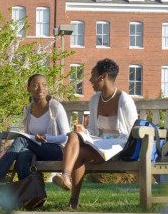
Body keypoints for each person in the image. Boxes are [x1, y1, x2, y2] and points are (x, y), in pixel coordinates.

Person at [51, 58, 138, 209]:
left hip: (118, 146)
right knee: (73, 136)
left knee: (79, 153)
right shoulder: (95, 99)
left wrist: (103, 141)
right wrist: (84, 131)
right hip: (99, 143)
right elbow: (93, 129)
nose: (90, 80)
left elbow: (132, 132)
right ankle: (66, 180)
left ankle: (72, 200)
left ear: (103, 76)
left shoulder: (124, 100)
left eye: (93, 75)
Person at [0, 74, 70, 183]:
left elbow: (66, 137)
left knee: (22, 140)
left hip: (57, 150)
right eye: (36, 85)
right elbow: (29, 136)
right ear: (28, 88)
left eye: (44, 85)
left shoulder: (55, 107)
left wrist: (47, 138)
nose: (41, 88)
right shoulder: (28, 110)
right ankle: (29, 195)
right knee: (23, 154)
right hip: (37, 151)